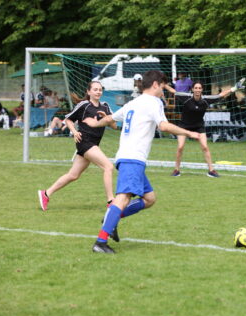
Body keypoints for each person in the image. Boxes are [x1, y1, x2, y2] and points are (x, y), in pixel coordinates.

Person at [82, 70, 200, 254]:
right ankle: (101, 241)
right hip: (133, 158)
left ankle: (111, 219)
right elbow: (164, 126)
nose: (164, 90)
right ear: (155, 84)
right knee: (123, 198)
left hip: (128, 157)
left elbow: (110, 118)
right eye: (163, 86)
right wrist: (189, 132)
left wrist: (94, 123)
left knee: (150, 199)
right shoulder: (154, 102)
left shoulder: (133, 103)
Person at [38, 81, 116, 213]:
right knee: (108, 167)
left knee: (73, 175)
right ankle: (111, 201)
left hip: (93, 144)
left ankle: (46, 194)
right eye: (95, 89)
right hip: (85, 142)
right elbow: (68, 119)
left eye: (100, 89)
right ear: (89, 92)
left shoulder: (105, 106)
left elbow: (114, 126)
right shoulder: (84, 105)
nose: (98, 92)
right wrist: (74, 132)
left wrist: (107, 118)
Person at [163, 78, 245, 177]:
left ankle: (211, 170)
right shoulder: (186, 97)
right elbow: (173, 91)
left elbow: (221, 95)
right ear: (192, 89)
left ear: (202, 90)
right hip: (184, 126)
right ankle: (176, 170)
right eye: (196, 88)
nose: (197, 90)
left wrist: (234, 88)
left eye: (199, 88)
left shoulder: (206, 99)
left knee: (205, 147)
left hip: (199, 126)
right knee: (180, 147)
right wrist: (163, 84)